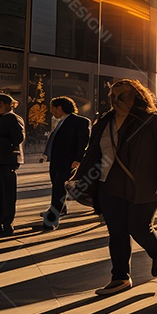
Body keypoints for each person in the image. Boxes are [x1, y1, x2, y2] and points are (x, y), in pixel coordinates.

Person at [74, 80, 157, 295]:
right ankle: (120, 278)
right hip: (108, 185)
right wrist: (80, 176)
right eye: (112, 96)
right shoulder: (104, 122)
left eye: (121, 95)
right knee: (117, 232)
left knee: (139, 227)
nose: (115, 100)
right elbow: (93, 152)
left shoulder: (153, 121)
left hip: (145, 184)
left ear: (137, 96)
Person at [40, 96, 91, 230]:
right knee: (56, 186)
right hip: (56, 161)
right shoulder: (59, 121)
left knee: (59, 188)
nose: (52, 111)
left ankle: (52, 219)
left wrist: (78, 160)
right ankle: (61, 209)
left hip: (68, 161)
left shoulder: (80, 122)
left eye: (52, 108)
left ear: (59, 108)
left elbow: (83, 142)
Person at [0, 94, 25, 237]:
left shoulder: (12, 118)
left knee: (6, 193)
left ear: (3, 104)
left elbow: (18, 138)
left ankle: (6, 223)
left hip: (5, 162)